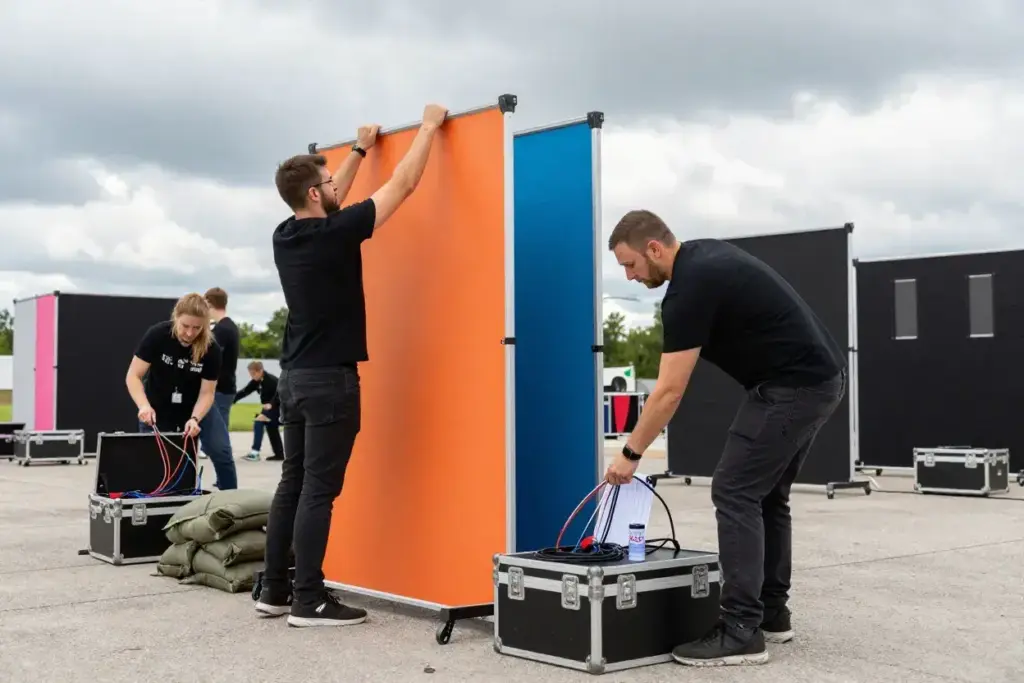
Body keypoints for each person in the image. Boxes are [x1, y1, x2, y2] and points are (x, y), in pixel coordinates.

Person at [604, 210, 847, 667]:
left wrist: (630, 453)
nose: (629, 276)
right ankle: (771, 614)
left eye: (630, 265)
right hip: (820, 379)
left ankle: (740, 631)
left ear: (654, 248)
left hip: (792, 387)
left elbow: (668, 391)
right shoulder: (706, 258)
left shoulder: (689, 289)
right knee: (766, 494)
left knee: (734, 490)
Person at [254, 104, 449, 627]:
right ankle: (309, 600)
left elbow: (327, 192)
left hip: (294, 379)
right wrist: (428, 128)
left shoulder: (285, 234)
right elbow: (403, 185)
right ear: (316, 194)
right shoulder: (338, 232)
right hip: (329, 382)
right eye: (327, 181)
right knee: (318, 491)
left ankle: (274, 590)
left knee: (292, 484)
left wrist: (360, 150)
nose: (334, 184)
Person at [125, 293, 239, 491]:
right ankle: (156, 502)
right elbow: (133, 376)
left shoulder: (211, 348)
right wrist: (143, 406)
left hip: (196, 405)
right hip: (158, 405)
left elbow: (207, 393)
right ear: (176, 317)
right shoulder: (158, 335)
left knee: (221, 450)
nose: (189, 333)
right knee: (155, 459)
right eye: (185, 326)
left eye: (197, 328)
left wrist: (195, 418)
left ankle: (232, 500)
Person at [204, 286, 241, 442]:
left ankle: (220, 450)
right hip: (225, 387)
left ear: (209, 303)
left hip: (220, 388)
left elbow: (211, 358)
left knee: (218, 431)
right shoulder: (229, 326)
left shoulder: (222, 330)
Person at [234, 360, 283, 462]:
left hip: (280, 408)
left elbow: (282, 393)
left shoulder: (271, 380)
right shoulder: (257, 381)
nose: (252, 376)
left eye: (253, 374)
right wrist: (231, 400)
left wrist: (272, 404)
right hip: (270, 409)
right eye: (250, 374)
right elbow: (245, 391)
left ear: (260, 371)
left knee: (259, 421)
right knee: (271, 427)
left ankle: (255, 453)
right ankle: (279, 454)